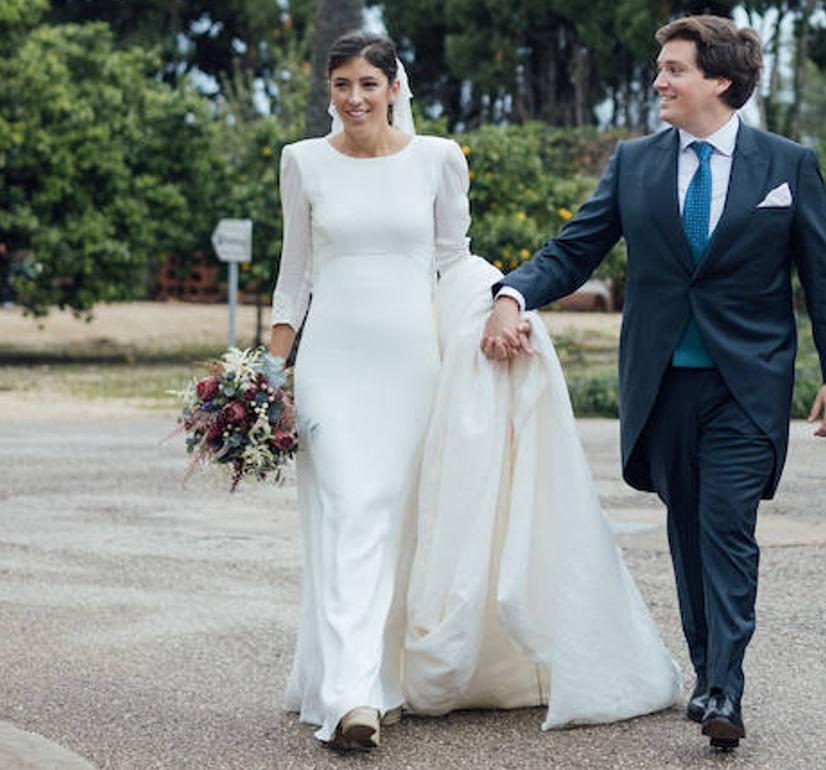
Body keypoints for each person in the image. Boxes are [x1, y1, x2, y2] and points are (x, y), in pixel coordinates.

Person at [269, 32, 680, 751]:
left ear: (395, 87)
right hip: (331, 366)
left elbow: (452, 261)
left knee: (395, 521)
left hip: (411, 365)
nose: (355, 98)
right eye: (342, 85)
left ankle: (382, 682)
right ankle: (348, 700)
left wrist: (502, 308)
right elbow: (293, 278)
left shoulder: (438, 160)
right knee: (349, 512)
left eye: (369, 83)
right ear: (329, 91)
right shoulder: (303, 163)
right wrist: (270, 376)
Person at [483, 15, 826, 751]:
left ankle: (725, 685)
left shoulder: (788, 165)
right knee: (687, 534)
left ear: (720, 79)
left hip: (745, 387)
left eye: (674, 69)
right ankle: (706, 669)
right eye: (661, 67)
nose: (659, 80)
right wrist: (511, 294)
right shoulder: (634, 163)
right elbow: (574, 249)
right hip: (663, 387)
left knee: (727, 530)